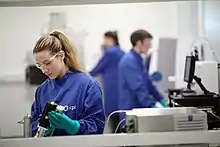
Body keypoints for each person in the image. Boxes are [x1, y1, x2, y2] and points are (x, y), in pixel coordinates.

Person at [31, 31, 105, 137]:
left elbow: (97, 125)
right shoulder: (42, 90)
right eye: (39, 65)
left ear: (61, 55)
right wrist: (43, 129)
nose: (44, 70)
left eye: (47, 63)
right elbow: (33, 125)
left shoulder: (87, 85)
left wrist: (73, 126)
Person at [118, 29, 167, 118]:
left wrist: (161, 99)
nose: (150, 46)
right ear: (139, 43)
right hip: (131, 110)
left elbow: (148, 83)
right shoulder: (129, 61)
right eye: (148, 43)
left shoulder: (138, 60)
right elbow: (138, 87)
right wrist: (151, 104)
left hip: (138, 108)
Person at [89, 31, 125, 132]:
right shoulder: (121, 51)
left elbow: (97, 69)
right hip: (121, 90)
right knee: (120, 119)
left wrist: (84, 73)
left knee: (112, 117)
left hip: (111, 89)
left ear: (110, 39)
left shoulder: (110, 52)